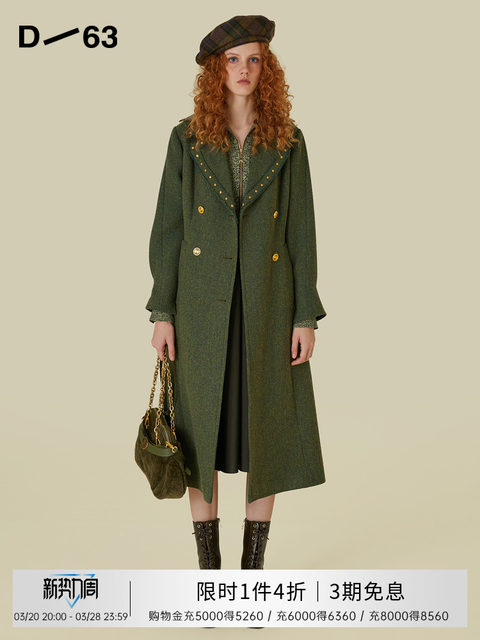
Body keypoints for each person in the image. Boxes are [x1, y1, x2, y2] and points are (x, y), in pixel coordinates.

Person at [146, 15, 327, 571]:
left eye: (254, 59)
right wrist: (162, 311)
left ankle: (251, 574)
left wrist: (304, 316)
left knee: (264, 438)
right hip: (202, 308)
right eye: (232, 59)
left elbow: (301, 233)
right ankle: (209, 574)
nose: (243, 69)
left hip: (267, 306)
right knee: (199, 437)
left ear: (267, 68)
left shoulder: (289, 141)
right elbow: (168, 231)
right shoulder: (186, 138)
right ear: (215, 69)